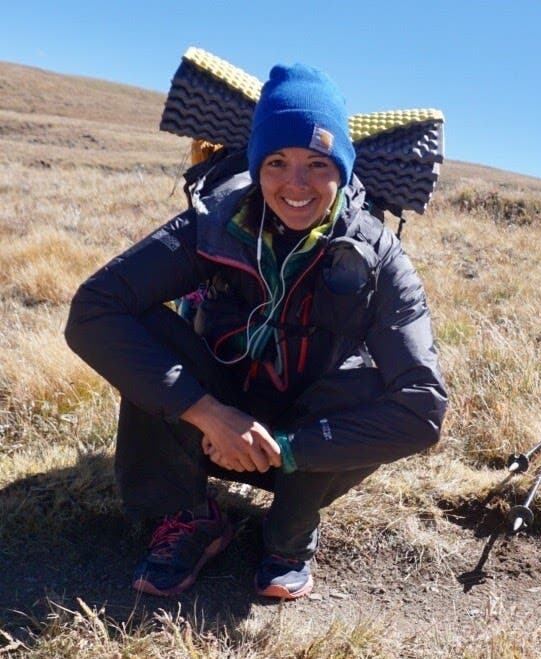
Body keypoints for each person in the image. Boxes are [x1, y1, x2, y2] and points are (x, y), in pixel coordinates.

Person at [65, 63, 447, 600]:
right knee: (145, 332)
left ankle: (289, 536)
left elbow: (423, 408)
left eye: (318, 163)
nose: (297, 184)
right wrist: (209, 414)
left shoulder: (380, 256)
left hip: (309, 441)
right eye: (277, 162)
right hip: (212, 420)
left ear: (342, 169)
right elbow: (93, 309)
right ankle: (188, 517)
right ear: (256, 164)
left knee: (368, 384)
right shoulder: (215, 222)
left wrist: (289, 450)